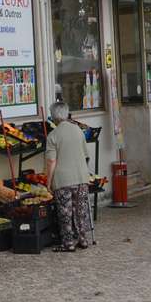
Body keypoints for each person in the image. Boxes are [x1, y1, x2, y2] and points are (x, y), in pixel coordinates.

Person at [44, 102, 93, 252]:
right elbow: (86, 155)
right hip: (81, 178)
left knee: (65, 213)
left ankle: (68, 243)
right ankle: (83, 240)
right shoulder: (78, 130)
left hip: (63, 180)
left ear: (53, 116)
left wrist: (48, 182)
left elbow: (51, 161)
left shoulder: (53, 135)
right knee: (81, 211)